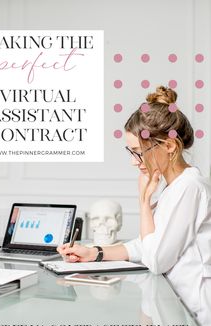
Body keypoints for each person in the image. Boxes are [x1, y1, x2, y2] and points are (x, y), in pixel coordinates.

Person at [57, 86, 211, 281]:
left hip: (193, 306)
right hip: (175, 300)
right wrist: (94, 253)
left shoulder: (190, 187)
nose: (134, 161)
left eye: (138, 151)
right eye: (131, 152)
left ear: (169, 146)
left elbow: (154, 260)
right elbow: (145, 244)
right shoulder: (174, 187)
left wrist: (144, 202)